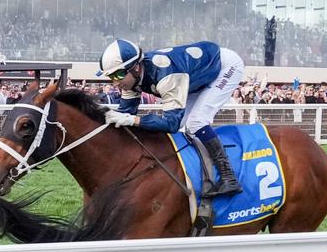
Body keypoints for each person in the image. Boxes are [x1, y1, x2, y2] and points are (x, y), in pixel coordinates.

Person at [97, 38, 245, 197]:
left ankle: (229, 178)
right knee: (184, 128)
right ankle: (197, 176)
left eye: (118, 74)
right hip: (194, 76)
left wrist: (134, 120)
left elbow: (170, 123)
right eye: (110, 77)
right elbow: (125, 114)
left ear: (136, 68)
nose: (114, 83)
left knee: (196, 123)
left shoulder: (165, 75)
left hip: (224, 67)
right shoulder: (131, 81)